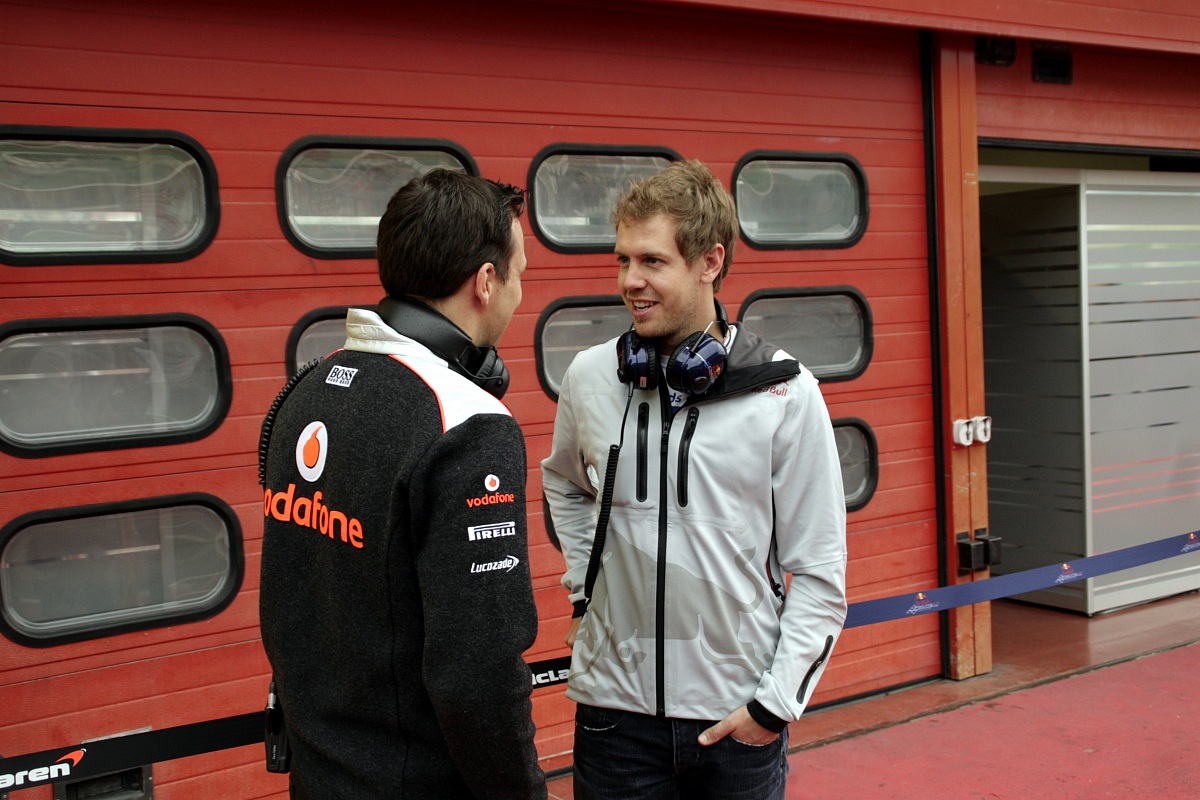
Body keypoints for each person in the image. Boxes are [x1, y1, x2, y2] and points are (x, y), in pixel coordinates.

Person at [541, 160, 848, 799]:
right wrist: (585, 592)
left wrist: (773, 708)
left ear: (710, 262)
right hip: (612, 717)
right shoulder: (590, 377)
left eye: (652, 261)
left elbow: (820, 571)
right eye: (623, 260)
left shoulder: (785, 392)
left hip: (735, 721)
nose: (630, 280)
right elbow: (565, 485)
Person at [259, 169, 547, 800]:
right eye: (519, 275)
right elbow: (478, 670)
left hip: (317, 778)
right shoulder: (468, 423)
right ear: (486, 281)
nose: (519, 294)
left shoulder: (306, 391)